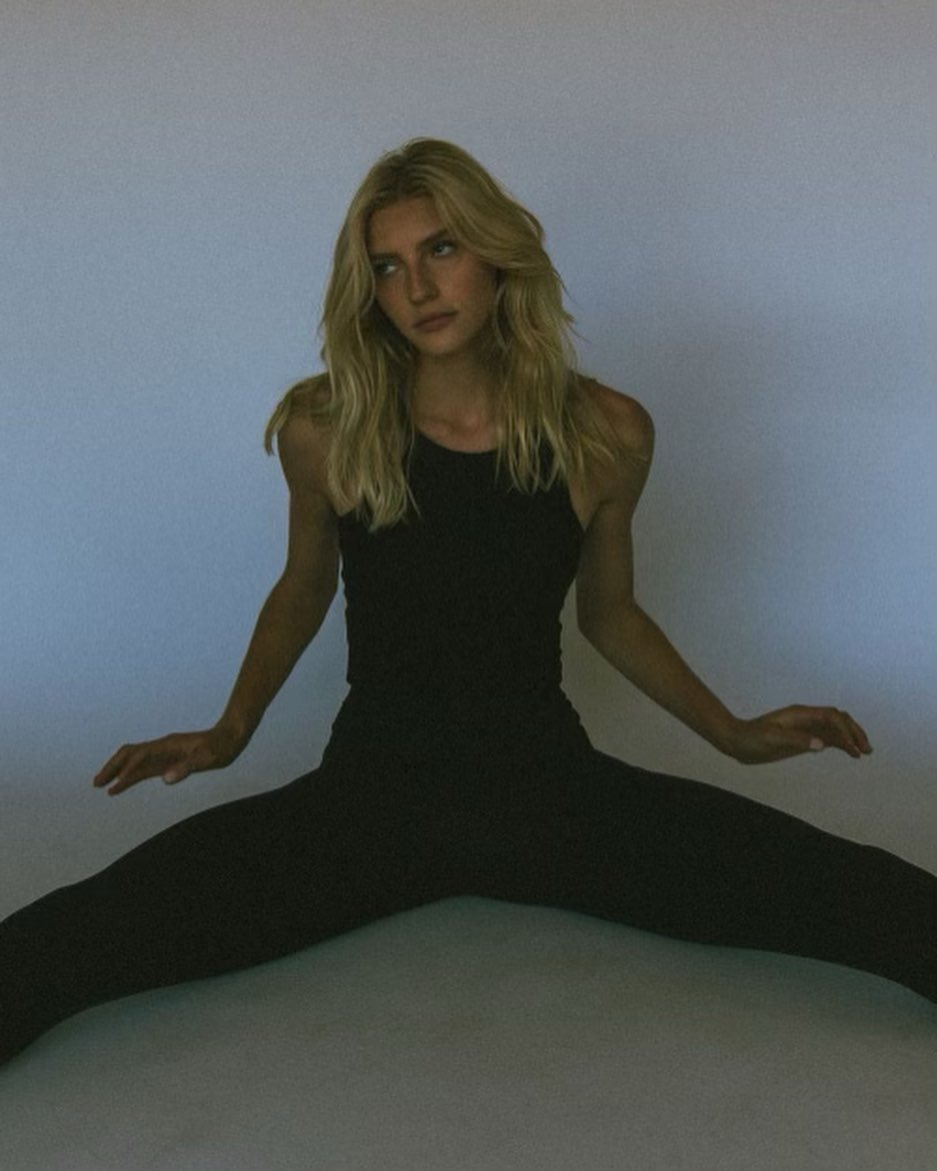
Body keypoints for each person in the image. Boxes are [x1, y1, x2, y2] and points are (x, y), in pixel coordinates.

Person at [2, 139, 934, 1066]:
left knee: (839, 889)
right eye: (387, 266)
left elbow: (609, 612)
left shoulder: (605, 432)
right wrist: (230, 730)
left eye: (441, 249)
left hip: (548, 795)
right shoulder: (326, 429)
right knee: (96, 927)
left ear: (496, 254)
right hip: (368, 802)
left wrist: (731, 732)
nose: (417, 287)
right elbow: (304, 584)